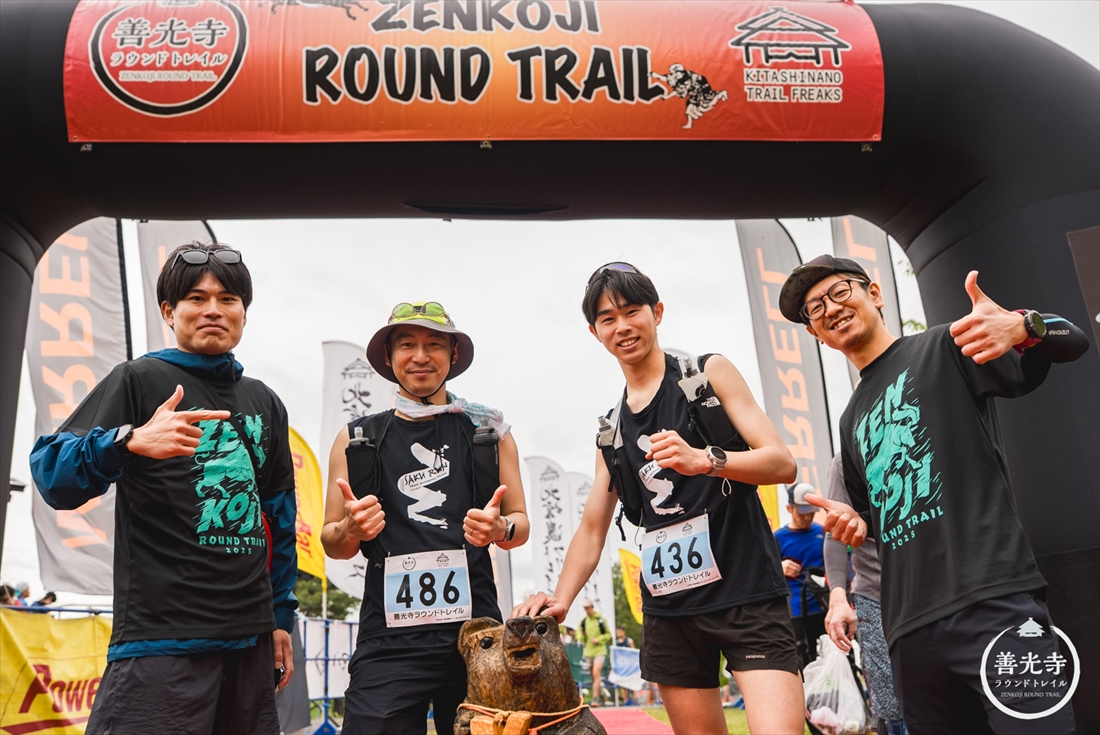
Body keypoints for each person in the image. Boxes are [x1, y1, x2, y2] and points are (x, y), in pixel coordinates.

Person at [779, 255, 1088, 734]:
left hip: (993, 601)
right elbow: (872, 517)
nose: (831, 308)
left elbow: (1075, 341)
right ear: (814, 333)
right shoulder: (850, 417)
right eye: (815, 308)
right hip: (908, 631)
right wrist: (857, 525)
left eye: (840, 292)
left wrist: (1025, 326)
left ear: (874, 293)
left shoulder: (944, 346)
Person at [515, 262, 805, 735]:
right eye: (608, 319)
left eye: (632, 311)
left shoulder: (706, 375)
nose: (622, 326)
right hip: (670, 611)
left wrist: (705, 459)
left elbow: (781, 463)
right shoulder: (610, 430)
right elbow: (592, 527)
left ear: (658, 312)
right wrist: (561, 600)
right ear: (595, 332)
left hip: (746, 592)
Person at [30, 241, 298, 735]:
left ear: (244, 313)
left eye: (228, 299)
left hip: (251, 642)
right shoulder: (138, 379)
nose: (214, 310)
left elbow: (279, 520)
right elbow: (51, 474)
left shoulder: (266, 401)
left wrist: (281, 618)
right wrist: (128, 441)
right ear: (168, 312)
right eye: (196, 298)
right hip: (162, 641)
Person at [321, 301, 529, 735]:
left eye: (434, 344)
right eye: (407, 345)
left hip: (475, 634)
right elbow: (334, 544)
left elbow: (519, 526)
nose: (420, 356)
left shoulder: (489, 433)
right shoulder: (357, 438)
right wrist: (350, 528)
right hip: (389, 638)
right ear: (388, 356)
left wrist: (501, 528)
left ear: (453, 354)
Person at [822, 453, 906, 735]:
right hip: (875, 594)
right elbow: (835, 533)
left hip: (934, 589)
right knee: (891, 705)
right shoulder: (844, 462)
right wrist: (837, 598)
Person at [774, 482, 826, 666]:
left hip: (825, 609)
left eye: (811, 512)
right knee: (804, 664)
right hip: (795, 613)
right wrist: (779, 568)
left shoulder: (822, 532)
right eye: (802, 513)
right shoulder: (778, 538)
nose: (807, 517)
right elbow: (763, 576)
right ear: (789, 508)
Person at [576, 599, 613, 705]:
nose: (587, 610)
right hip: (588, 651)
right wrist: (582, 635)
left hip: (600, 650)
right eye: (585, 608)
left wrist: (598, 639)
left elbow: (608, 635)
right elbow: (579, 637)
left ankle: (595, 698)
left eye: (588, 608)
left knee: (596, 673)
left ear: (592, 607)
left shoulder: (600, 619)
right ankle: (601, 695)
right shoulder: (583, 621)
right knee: (594, 676)